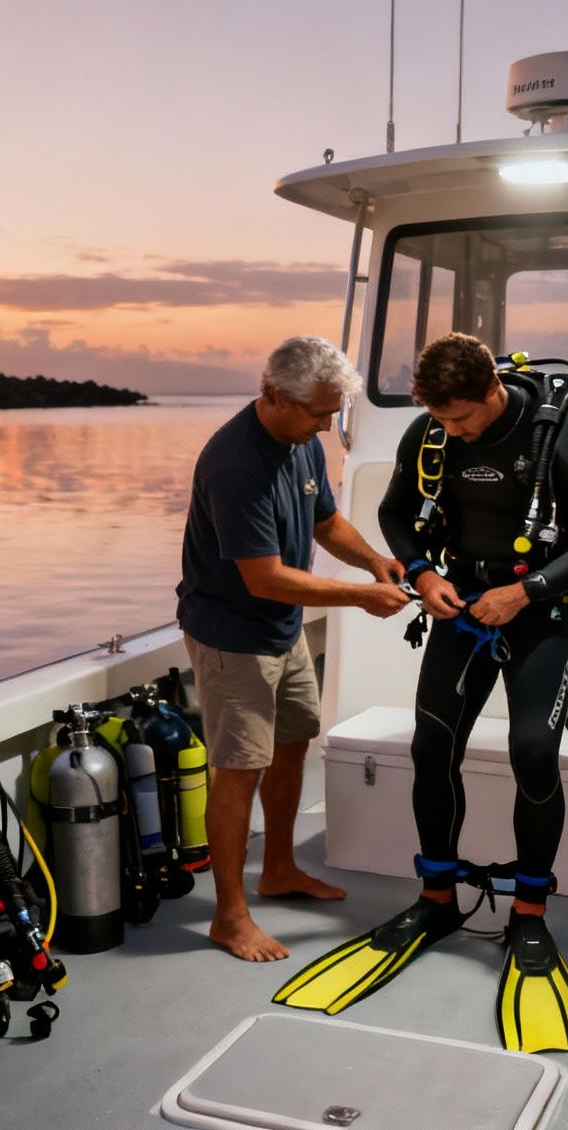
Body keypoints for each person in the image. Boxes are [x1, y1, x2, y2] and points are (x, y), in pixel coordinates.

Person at [272, 332, 568, 1056]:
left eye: (461, 419)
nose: (452, 431)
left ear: (492, 389)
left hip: (536, 612)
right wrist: (424, 573)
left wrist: (526, 591)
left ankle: (529, 911)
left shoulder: (562, 433)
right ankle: (437, 899)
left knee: (533, 752)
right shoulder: (429, 433)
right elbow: (398, 512)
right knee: (431, 746)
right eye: (442, 419)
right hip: (461, 608)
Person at [177, 335, 411, 962]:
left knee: (291, 743)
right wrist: (361, 597)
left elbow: (326, 520)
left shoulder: (300, 441)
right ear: (273, 394)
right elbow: (265, 576)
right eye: (317, 413)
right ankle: (229, 916)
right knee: (238, 769)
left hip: (282, 628)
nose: (325, 426)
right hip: (234, 636)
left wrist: (376, 562)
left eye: (332, 414)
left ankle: (278, 867)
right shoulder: (236, 464)